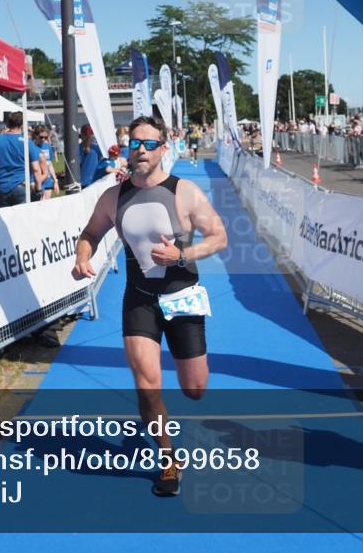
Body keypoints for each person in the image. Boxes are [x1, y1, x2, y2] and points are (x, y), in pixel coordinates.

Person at [72, 115, 228, 497]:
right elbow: (90, 232)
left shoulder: (184, 191)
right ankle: (168, 460)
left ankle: (172, 417)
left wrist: (182, 254)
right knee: (147, 387)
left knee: (195, 388)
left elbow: (219, 237)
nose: (140, 149)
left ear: (162, 148)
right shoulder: (114, 196)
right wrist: (82, 256)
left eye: (148, 143)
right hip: (139, 299)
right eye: (134, 143)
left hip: (182, 297)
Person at [0, 112, 43, 207]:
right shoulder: (27, 142)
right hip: (21, 187)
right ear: (22, 124)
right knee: (23, 220)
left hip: (2, 188)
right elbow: (36, 169)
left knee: (3, 220)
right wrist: (38, 189)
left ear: (8, 123)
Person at [78, 124, 100, 189]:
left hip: (83, 180)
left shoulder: (78, 147)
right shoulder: (97, 147)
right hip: (96, 179)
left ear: (82, 135)